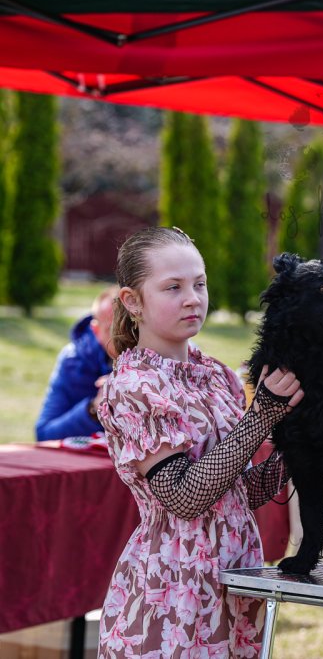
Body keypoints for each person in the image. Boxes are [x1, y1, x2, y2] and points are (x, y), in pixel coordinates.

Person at [96, 226, 304, 658]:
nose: (193, 298)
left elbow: (242, 492)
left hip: (236, 576)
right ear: (132, 301)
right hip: (174, 588)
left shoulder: (217, 375)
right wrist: (262, 415)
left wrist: (305, 441)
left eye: (200, 284)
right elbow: (184, 497)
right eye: (173, 287)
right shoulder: (135, 386)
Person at [35, 286, 117, 441]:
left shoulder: (156, 360)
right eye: (113, 330)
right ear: (96, 330)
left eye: (132, 329)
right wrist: (93, 409)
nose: (124, 339)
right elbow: (45, 434)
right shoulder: (73, 360)